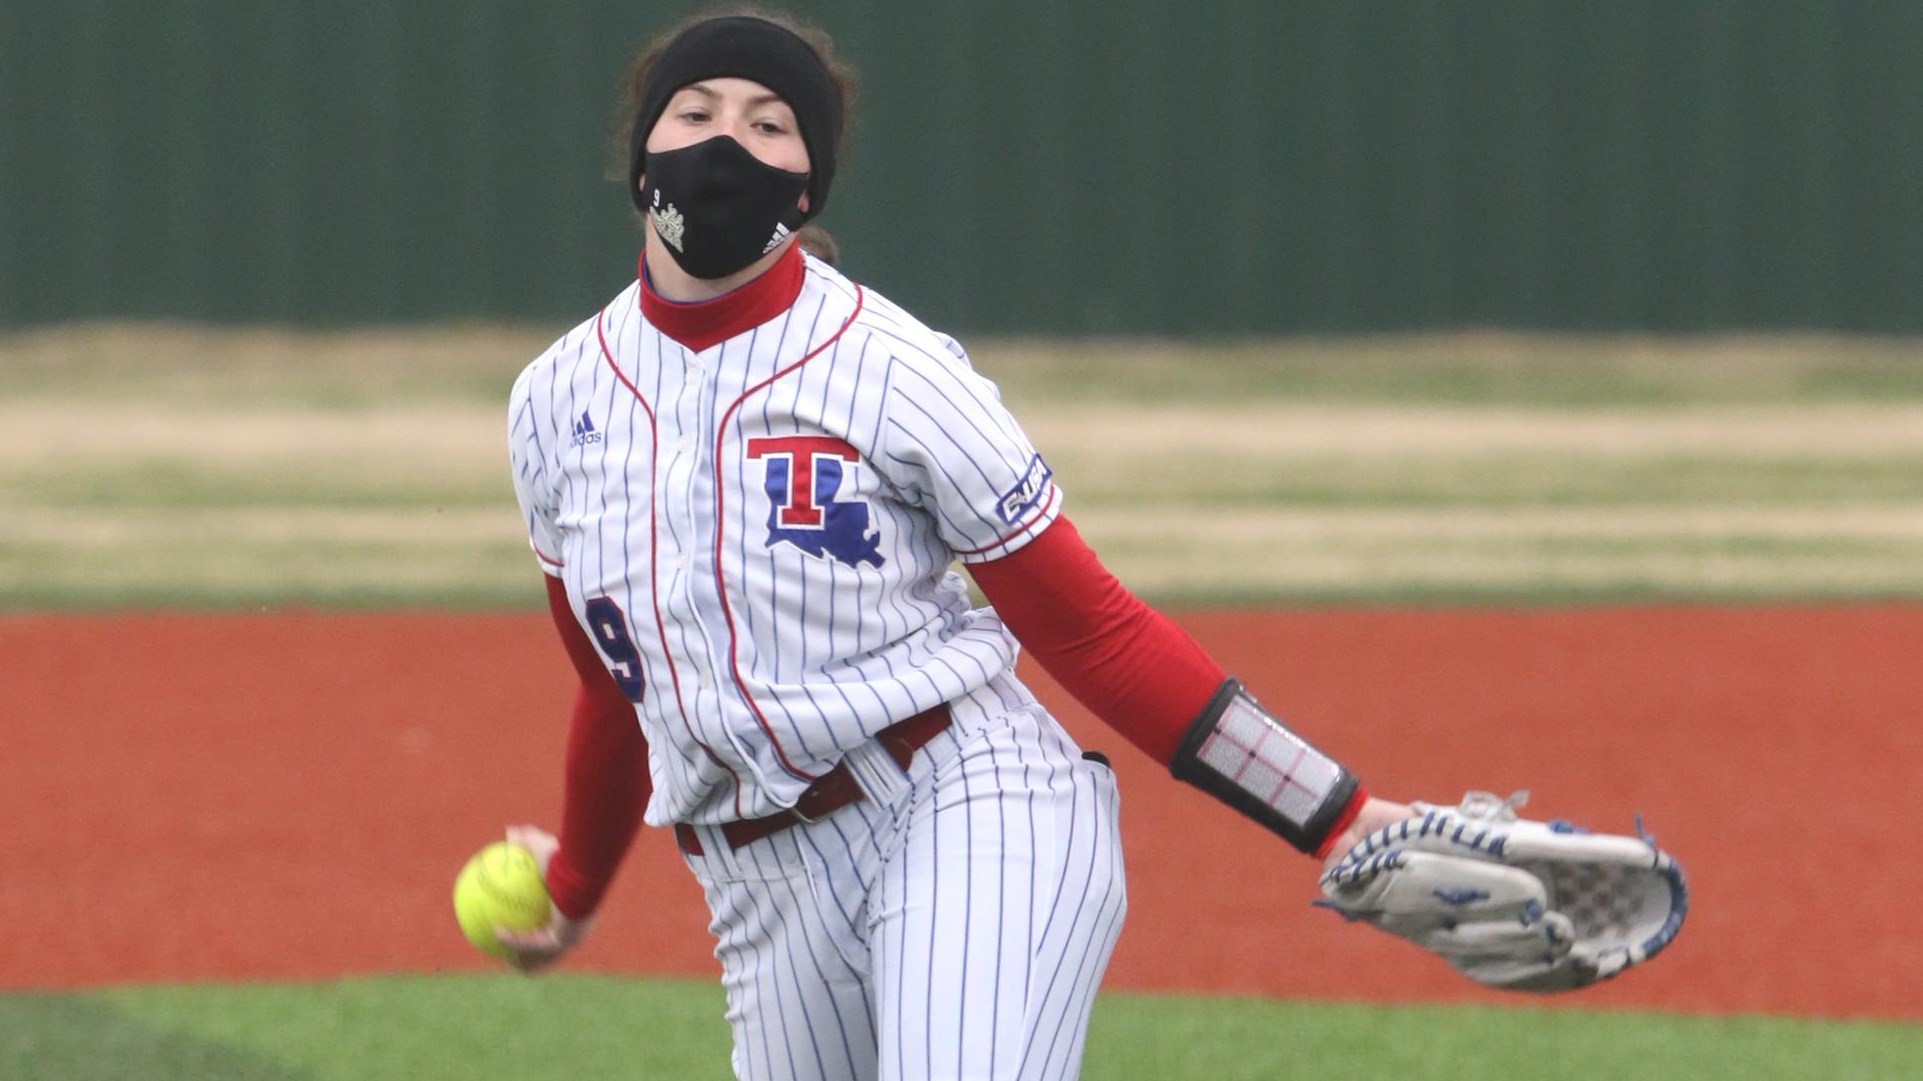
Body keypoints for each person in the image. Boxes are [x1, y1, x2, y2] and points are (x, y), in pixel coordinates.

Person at [492, 9, 1413, 1079]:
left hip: (962, 805)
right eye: (695, 113)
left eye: (769, 123)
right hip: (757, 890)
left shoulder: (894, 367)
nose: (725, 143)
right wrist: (573, 891)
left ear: (807, 188)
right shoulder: (554, 401)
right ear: (641, 153)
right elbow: (614, 688)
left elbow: (1093, 630)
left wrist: (1336, 814)